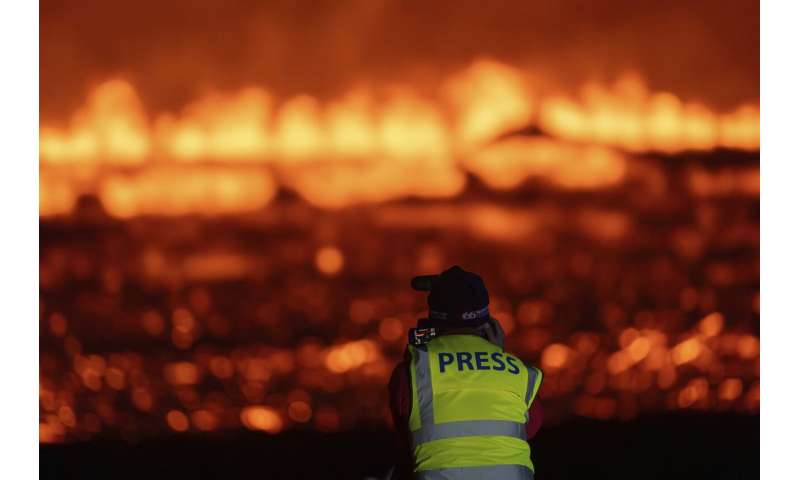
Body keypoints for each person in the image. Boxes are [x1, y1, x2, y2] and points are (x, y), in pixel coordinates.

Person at [387, 265, 544, 479]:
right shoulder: (519, 373)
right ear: (489, 324)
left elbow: (405, 444)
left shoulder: (414, 371)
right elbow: (527, 429)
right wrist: (498, 354)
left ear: (433, 320)